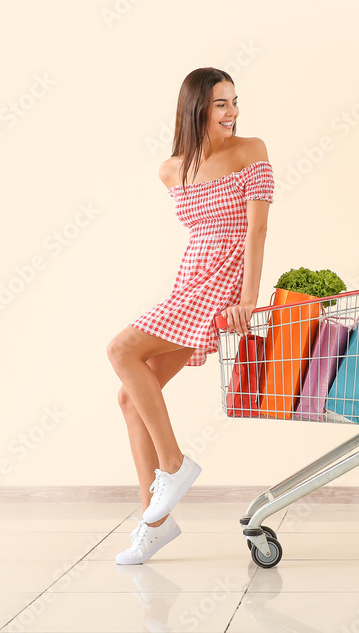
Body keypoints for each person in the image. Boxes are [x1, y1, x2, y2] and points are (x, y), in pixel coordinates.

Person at [107, 67, 273, 565]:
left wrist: (248, 299)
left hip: (224, 280)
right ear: (196, 107)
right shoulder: (170, 170)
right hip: (190, 279)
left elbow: (256, 231)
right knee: (130, 397)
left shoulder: (251, 151)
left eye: (235, 102)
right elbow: (199, 231)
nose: (233, 112)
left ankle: (174, 464)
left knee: (121, 349)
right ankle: (154, 524)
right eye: (222, 103)